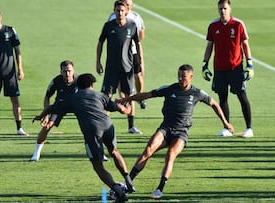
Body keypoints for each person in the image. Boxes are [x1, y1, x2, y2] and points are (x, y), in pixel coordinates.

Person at [117, 64, 234, 199]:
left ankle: (159, 189)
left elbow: (214, 104)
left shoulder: (197, 93)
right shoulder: (169, 89)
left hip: (181, 133)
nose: (180, 79)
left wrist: (225, 122)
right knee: (148, 150)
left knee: (170, 154)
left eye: (183, 76)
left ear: (191, 77)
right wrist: (126, 99)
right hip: (165, 129)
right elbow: (147, 94)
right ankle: (128, 184)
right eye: (179, 75)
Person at [33, 73, 135, 202]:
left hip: (92, 130)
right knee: (114, 151)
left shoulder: (73, 98)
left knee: (98, 165)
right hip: (108, 125)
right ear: (92, 84)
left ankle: (119, 191)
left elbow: (52, 107)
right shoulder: (100, 95)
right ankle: (129, 182)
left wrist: (40, 115)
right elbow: (120, 108)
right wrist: (127, 110)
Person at [202, 0, 254, 138]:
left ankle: (249, 128)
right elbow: (209, 46)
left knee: (242, 97)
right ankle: (227, 128)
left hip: (236, 68)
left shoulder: (238, 24)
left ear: (230, 9)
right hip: (219, 69)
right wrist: (204, 65)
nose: (222, 11)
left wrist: (249, 64)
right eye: (220, 9)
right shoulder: (213, 25)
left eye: (225, 8)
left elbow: (245, 45)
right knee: (222, 98)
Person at [96, 0, 144, 134]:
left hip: (127, 68)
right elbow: (100, 43)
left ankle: (131, 126)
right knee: (106, 96)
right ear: (114, 11)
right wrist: (98, 61)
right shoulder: (108, 26)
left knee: (130, 95)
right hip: (111, 67)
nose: (120, 13)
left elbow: (138, 44)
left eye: (122, 10)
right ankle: (104, 125)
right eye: (117, 10)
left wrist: (139, 61)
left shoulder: (132, 26)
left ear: (126, 11)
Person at [0, 8, 28, 137]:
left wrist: (20, 69)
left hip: (10, 72)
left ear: (0, 18)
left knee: (15, 100)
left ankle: (19, 128)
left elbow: (17, 51)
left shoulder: (10, 31)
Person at [29, 60, 78, 162]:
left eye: (69, 71)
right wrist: (46, 114)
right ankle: (36, 154)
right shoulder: (56, 81)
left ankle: (99, 154)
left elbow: (89, 93)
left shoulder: (79, 80)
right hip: (60, 105)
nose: (67, 74)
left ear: (73, 71)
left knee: (90, 126)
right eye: (64, 71)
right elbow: (47, 97)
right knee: (47, 126)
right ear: (61, 72)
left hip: (76, 105)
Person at [107, 0, 147, 109]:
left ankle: (140, 96)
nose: (127, 7)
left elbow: (141, 35)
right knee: (122, 76)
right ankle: (124, 99)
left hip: (133, 52)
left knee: (138, 75)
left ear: (131, 6)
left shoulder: (136, 17)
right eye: (125, 4)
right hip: (120, 54)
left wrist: (131, 41)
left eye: (129, 5)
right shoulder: (112, 17)